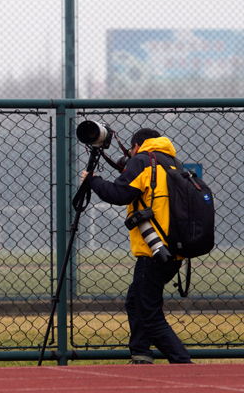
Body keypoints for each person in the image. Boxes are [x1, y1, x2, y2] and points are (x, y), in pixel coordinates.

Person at [81, 128, 192, 364]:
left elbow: (120, 194)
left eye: (131, 152)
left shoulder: (143, 160)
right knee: (136, 300)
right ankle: (141, 353)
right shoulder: (171, 162)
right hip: (174, 249)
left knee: (149, 313)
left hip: (154, 250)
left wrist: (92, 180)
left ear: (137, 146)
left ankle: (183, 363)